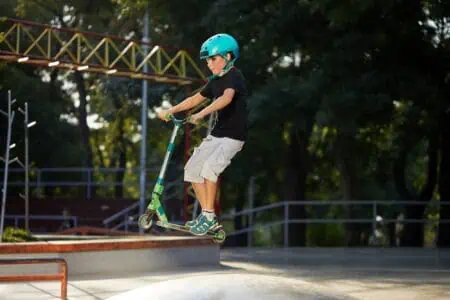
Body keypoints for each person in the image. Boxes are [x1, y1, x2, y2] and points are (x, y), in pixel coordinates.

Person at [157, 33, 248, 236]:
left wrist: (202, 114)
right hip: (217, 135)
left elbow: (226, 98)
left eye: (213, 58)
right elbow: (193, 99)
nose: (209, 63)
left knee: (209, 169)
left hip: (233, 137)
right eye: (207, 60)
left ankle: (208, 215)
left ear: (229, 56)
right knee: (192, 168)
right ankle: (207, 217)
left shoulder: (234, 76)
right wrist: (171, 110)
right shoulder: (214, 81)